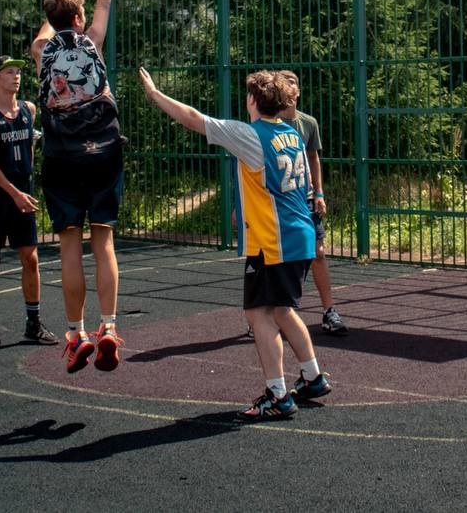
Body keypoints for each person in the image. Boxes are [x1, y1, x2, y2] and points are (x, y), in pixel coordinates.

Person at [139, 67, 332, 420]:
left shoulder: (251, 135)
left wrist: (155, 95)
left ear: (254, 100)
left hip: (273, 241)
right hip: (298, 235)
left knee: (259, 314)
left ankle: (277, 394)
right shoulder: (291, 134)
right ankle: (313, 376)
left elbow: (196, 120)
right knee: (282, 310)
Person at [31, 0, 126, 374]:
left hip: (62, 153)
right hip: (104, 148)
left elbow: (42, 36)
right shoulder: (93, 41)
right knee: (103, 241)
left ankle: (76, 334)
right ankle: (109, 325)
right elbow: (103, 3)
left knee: (70, 244)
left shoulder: (41, 52)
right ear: (78, 19)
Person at [0, 55, 57, 350]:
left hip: (23, 194)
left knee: (30, 259)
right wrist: (13, 192)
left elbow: (30, 152)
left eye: (18, 72)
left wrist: (27, 188)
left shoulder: (28, 110)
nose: (16, 76)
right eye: (9, 72)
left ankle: (33, 324)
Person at [279, 70, 348, 336]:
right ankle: (271, 313)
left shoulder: (308, 123)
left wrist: (319, 192)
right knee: (279, 257)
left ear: (298, 91)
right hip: (281, 200)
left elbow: (313, 158)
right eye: (285, 84)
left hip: (306, 199)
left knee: (318, 252)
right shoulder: (268, 124)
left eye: (294, 83)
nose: (290, 88)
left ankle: (329, 311)